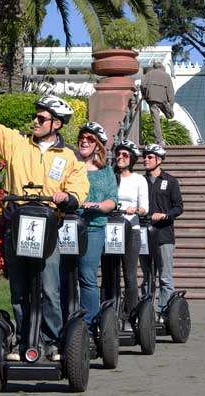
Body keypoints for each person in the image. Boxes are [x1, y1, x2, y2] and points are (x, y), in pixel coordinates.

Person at [0, 95, 89, 362]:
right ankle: (23, 340)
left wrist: (67, 198)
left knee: (49, 287)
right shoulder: (17, 144)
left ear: (56, 124)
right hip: (17, 224)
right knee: (19, 287)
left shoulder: (70, 157)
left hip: (49, 228)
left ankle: (52, 341)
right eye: (36, 116)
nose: (35, 120)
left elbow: (79, 187)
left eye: (42, 118)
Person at [70, 122, 117, 327]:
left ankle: (89, 325)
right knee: (65, 276)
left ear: (98, 145)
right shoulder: (70, 164)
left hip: (94, 227)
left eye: (90, 139)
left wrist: (97, 205)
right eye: (82, 137)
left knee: (87, 276)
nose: (84, 141)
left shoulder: (106, 171)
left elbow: (112, 201)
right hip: (69, 226)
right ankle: (65, 321)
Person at [140, 143, 183, 319]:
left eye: (150, 157)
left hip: (164, 235)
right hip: (144, 234)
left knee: (165, 277)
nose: (145, 160)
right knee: (147, 276)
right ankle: (146, 313)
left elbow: (178, 207)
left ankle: (164, 313)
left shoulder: (170, 181)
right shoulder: (140, 181)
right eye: (145, 156)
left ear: (158, 160)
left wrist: (164, 215)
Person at [113, 139, 148, 329]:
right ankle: (110, 313)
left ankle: (129, 315)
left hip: (131, 230)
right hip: (112, 230)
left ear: (132, 158)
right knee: (111, 274)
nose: (120, 157)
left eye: (125, 155)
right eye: (118, 154)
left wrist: (134, 210)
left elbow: (145, 208)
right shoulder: (111, 177)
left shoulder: (139, 180)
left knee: (129, 275)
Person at [141, 61, 175, 146]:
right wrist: (171, 104)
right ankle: (169, 113)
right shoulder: (166, 75)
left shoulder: (149, 74)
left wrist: (145, 96)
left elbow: (142, 86)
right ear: (162, 68)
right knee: (169, 115)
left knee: (156, 120)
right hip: (163, 100)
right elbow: (170, 91)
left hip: (152, 100)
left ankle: (159, 140)